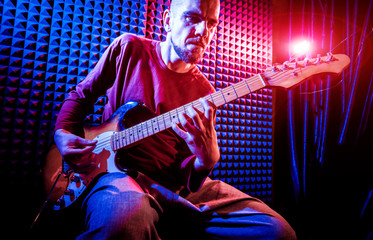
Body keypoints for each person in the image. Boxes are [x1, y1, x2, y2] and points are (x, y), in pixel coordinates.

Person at [52, 0, 297, 239]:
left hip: (172, 186)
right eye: (193, 18)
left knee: (275, 230)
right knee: (125, 217)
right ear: (167, 20)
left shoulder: (205, 94)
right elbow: (81, 95)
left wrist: (205, 161)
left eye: (212, 24)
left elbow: (186, 173)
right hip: (114, 173)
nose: (204, 32)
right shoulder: (129, 48)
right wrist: (63, 133)